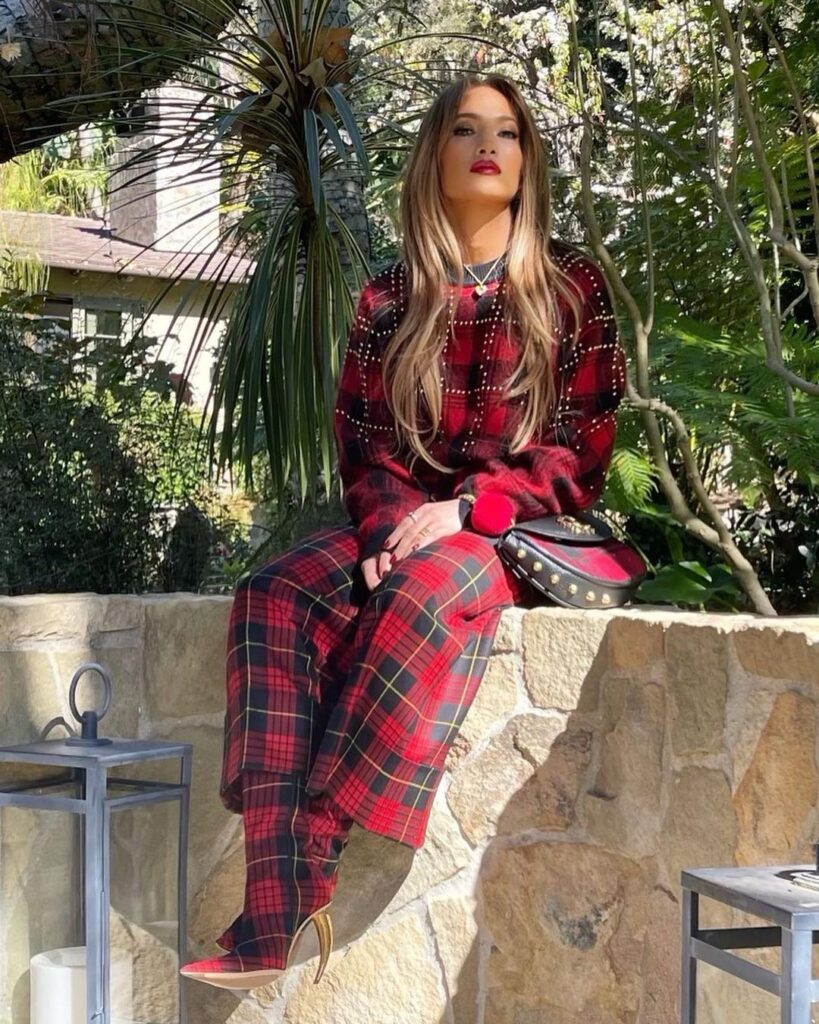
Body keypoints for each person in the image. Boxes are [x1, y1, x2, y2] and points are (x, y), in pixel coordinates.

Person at [181, 71, 626, 990]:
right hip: (406, 521)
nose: (488, 145)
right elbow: (365, 444)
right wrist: (392, 528)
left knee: (422, 591)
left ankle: (307, 857)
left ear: (526, 160)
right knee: (272, 593)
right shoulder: (388, 296)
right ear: (435, 154)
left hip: (509, 530)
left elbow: (579, 454)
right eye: (465, 129)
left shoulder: (571, 286)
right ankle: (275, 896)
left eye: (507, 131)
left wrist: (462, 512)